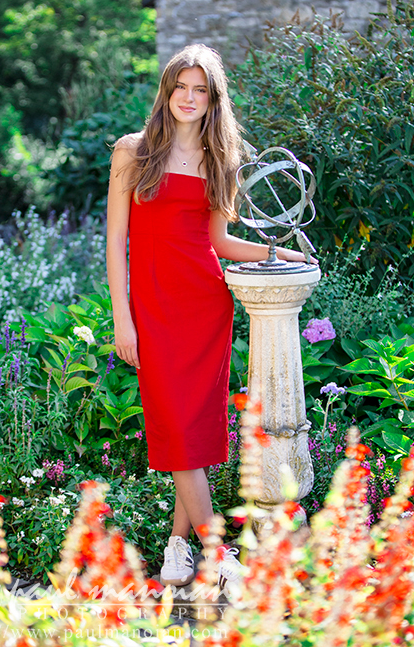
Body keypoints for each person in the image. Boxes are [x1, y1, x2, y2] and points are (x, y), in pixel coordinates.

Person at [106, 43, 317, 588]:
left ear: (213, 98)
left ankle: (180, 549)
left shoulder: (221, 159)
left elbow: (219, 241)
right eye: (182, 86)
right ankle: (218, 555)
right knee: (175, 424)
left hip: (204, 305)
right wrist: (122, 320)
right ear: (167, 89)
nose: (190, 98)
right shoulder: (132, 152)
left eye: (201, 90)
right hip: (152, 308)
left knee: (192, 432)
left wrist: (279, 252)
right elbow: (116, 246)